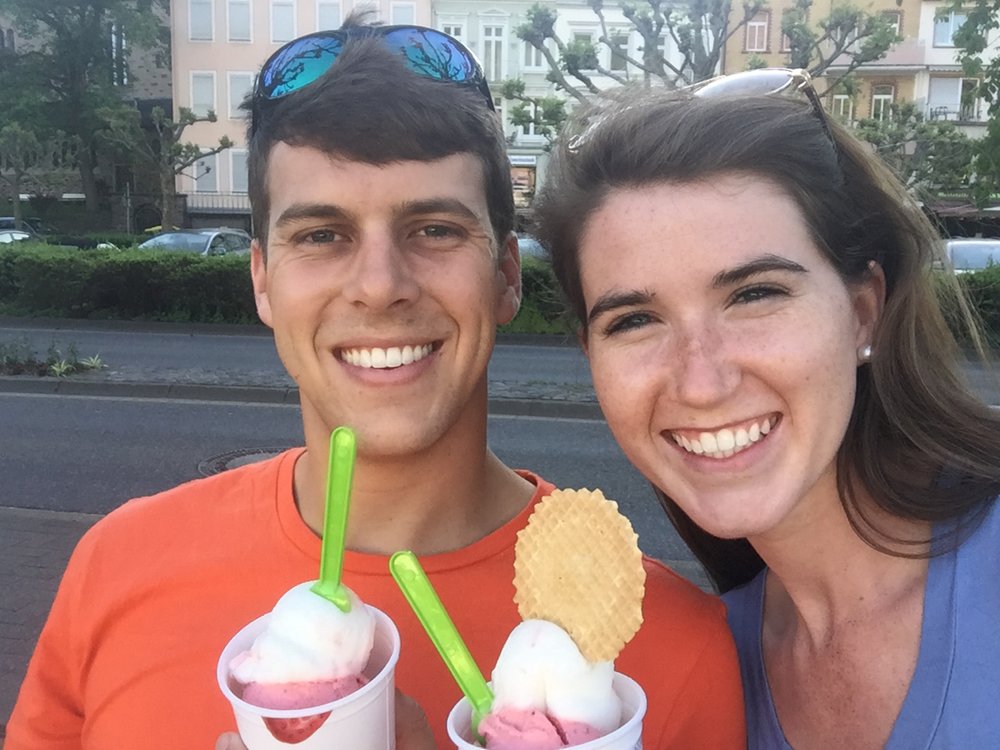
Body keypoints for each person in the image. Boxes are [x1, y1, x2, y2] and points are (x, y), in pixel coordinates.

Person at [6, 17, 746, 749]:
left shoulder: (680, 656)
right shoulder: (119, 565)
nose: (380, 285)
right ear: (263, 281)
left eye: (434, 229)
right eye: (322, 236)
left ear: (507, 277)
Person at [533, 69, 1000, 749]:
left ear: (862, 312)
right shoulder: (693, 672)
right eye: (635, 320)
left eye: (754, 295)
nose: (701, 382)